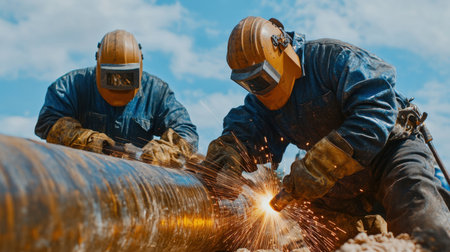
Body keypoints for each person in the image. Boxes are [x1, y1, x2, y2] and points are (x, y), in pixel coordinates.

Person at [203, 16, 450, 250]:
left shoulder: (330, 58)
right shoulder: (263, 101)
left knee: (416, 199)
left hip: (391, 153)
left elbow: (376, 111)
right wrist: (231, 150)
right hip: (341, 182)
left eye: (262, 78)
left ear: (282, 52)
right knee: (318, 232)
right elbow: (248, 125)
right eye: (249, 83)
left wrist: (320, 164)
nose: (259, 88)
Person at [35, 29, 198, 168]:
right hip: (81, 174)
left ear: (139, 68)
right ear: (98, 66)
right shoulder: (71, 85)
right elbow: (47, 123)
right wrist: (90, 142)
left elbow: (187, 135)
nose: (119, 83)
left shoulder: (157, 92)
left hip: (136, 178)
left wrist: (162, 151)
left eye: (127, 78)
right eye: (112, 77)